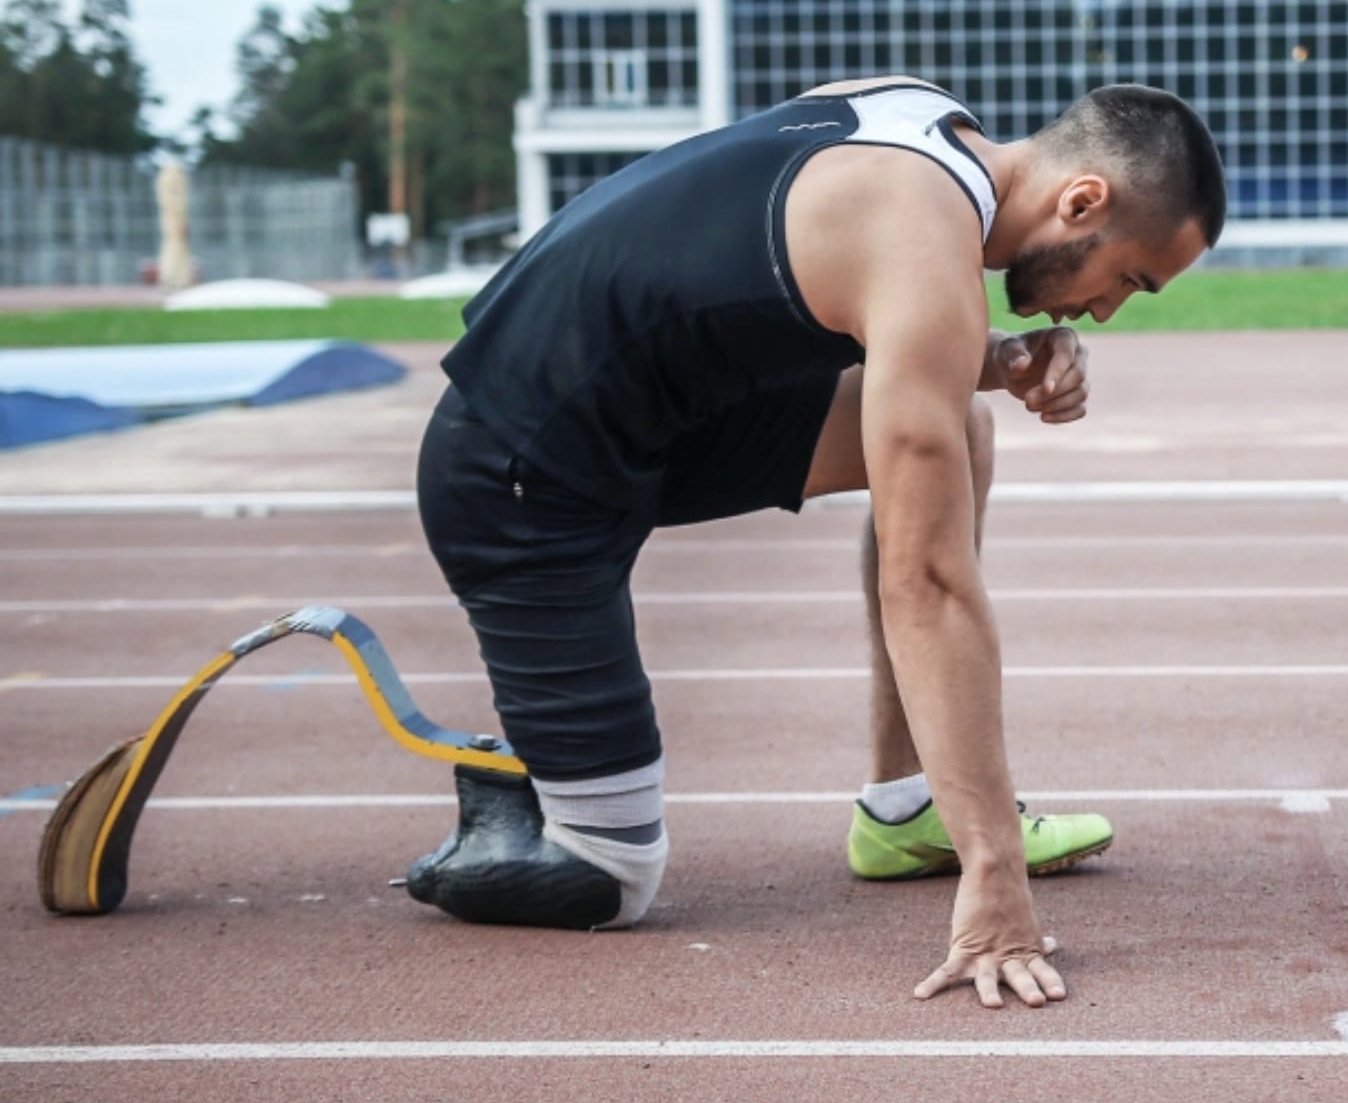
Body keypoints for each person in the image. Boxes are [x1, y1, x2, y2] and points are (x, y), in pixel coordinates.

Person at [409, 76, 1226, 1010]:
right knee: (607, 876)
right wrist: (998, 879)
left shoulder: (915, 118)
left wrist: (990, 355)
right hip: (519, 476)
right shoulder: (926, 242)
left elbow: (773, 267)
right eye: (1127, 277)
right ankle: (504, 792)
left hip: (640, 427)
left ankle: (903, 808)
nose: (1108, 311)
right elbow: (929, 585)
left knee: (961, 426)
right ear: (1084, 200)